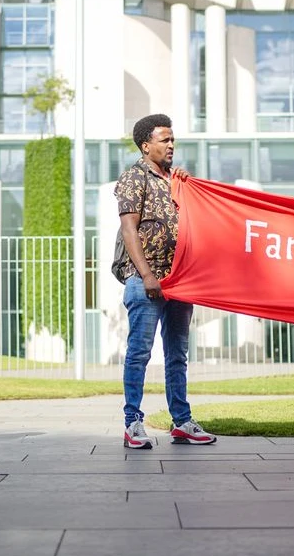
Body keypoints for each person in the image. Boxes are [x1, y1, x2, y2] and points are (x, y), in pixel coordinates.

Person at [116, 114, 217, 449]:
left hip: (179, 281)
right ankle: (133, 423)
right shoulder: (134, 177)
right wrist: (147, 276)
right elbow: (130, 229)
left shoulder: (177, 180)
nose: (171, 145)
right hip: (146, 282)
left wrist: (185, 184)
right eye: (164, 140)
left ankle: (182, 421)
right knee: (139, 353)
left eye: (173, 140)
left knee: (177, 355)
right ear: (146, 145)